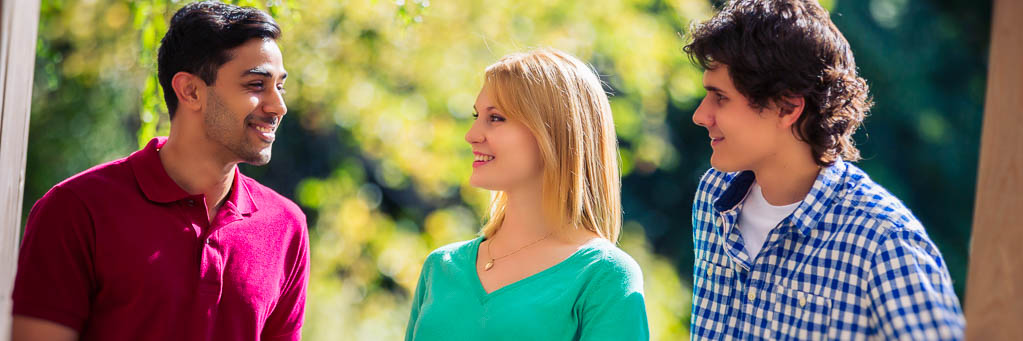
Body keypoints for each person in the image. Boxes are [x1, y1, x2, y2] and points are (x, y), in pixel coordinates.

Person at [12, 2, 308, 340]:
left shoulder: (286, 228)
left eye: (279, 86)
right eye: (256, 85)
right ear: (191, 91)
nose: (278, 106)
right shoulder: (76, 211)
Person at [684, 0, 965, 339]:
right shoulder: (714, 195)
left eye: (720, 97)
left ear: (787, 108)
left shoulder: (884, 242)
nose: (700, 115)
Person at [404, 48, 649, 341]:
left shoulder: (604, 277)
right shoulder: (440, 267)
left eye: (495, 118)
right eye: (476, 115)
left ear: (555, 131)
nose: (471, 134)